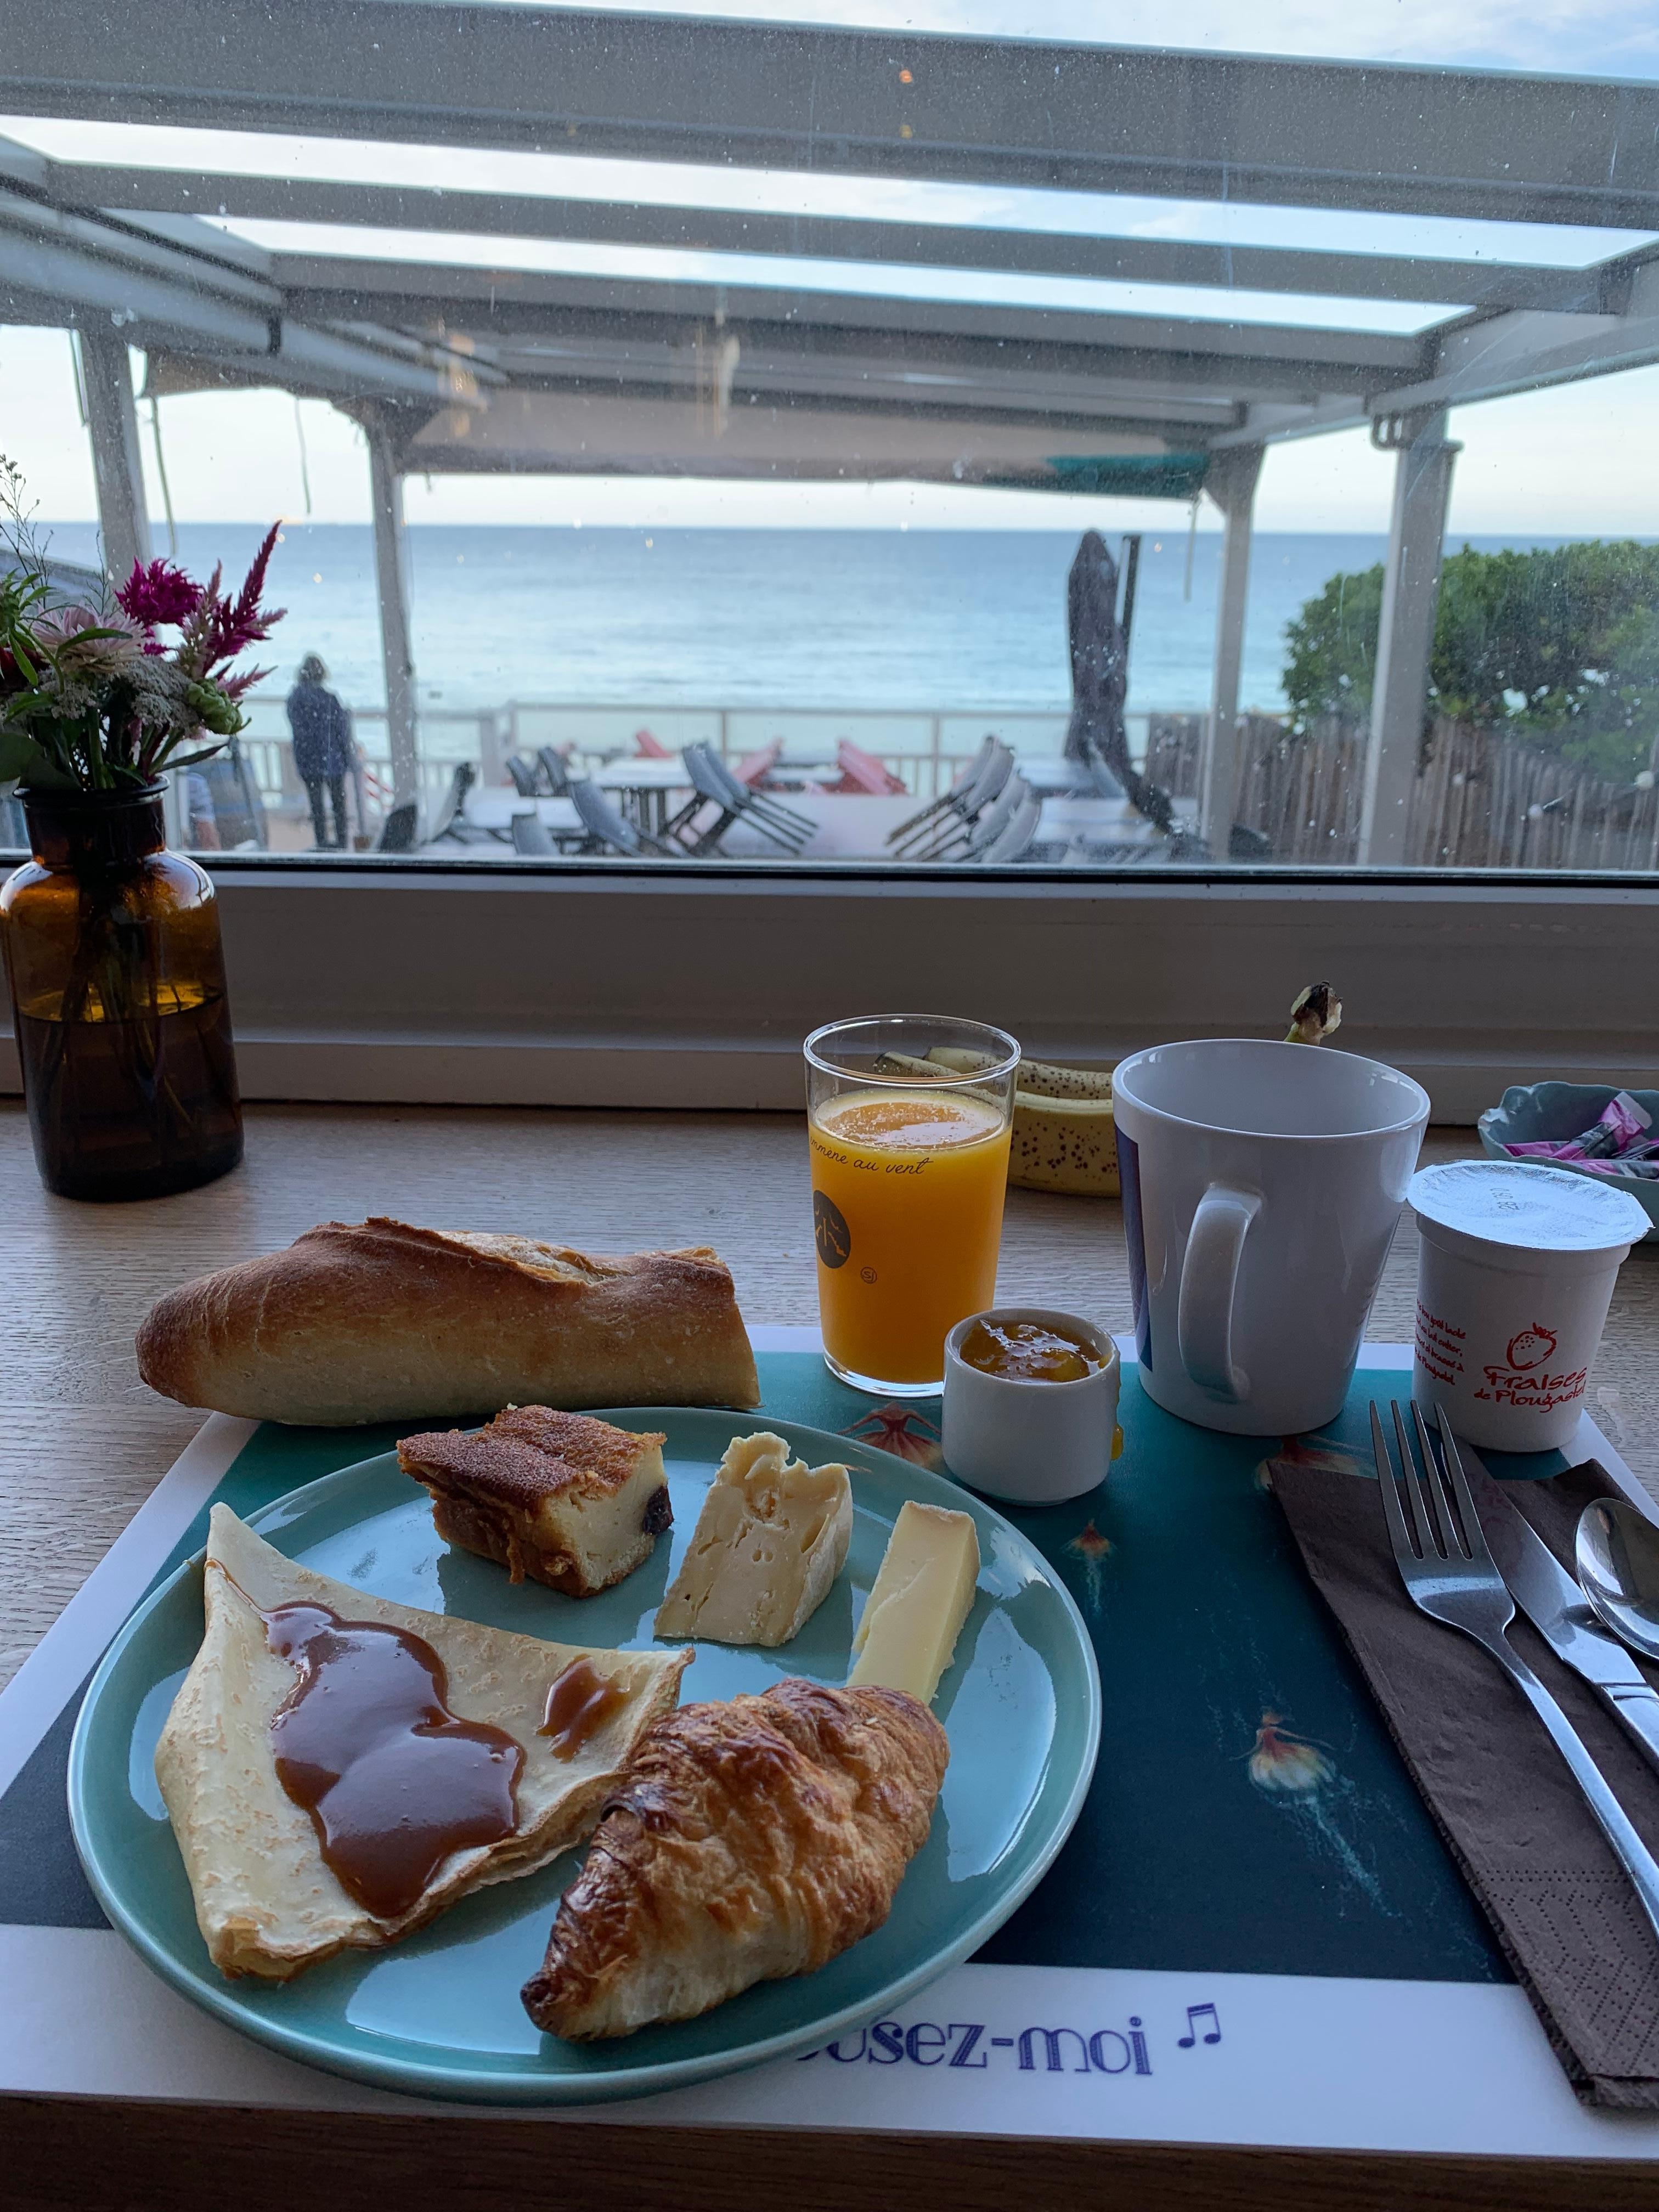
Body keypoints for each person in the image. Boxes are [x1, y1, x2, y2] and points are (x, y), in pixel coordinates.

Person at [286, 654, 354, 849]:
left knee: (317, 807)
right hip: (333, 759)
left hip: (308, 759)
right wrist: (347, 757)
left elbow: (297, 728)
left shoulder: (295, 699)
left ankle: (322, 842)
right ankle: (342, 843)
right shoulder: (330, 699)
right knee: (338, 805)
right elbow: (342, 732)